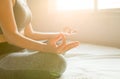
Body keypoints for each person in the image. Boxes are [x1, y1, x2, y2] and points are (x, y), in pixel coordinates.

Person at [0, 0, 80, 79]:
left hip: (22, 50)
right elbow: (11, 36)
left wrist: (60, 35)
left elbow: (30, 34)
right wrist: (45, 48)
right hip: (4, 56)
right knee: (58, 62)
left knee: (59, 43)